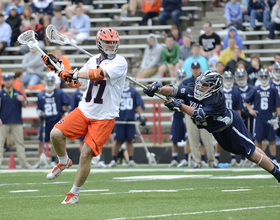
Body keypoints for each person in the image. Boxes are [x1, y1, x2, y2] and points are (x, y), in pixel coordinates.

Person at [143, 70, 280, 184]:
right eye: (200, 82)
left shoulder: (217, 100)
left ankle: (277, 173)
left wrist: (180, 106)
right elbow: (175, 91)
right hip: (217, 131)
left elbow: (199, 114)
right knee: (251, 149)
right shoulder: (192, 87)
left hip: (231, 126)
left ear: (213, 87)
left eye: (205, 84)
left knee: (251, 154)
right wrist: (159, 89)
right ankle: (274, 165)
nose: (200, 86)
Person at [41, 27, 127, 204]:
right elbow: (75, 82)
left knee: (85, 154)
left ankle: (74, 192)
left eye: (113, 43)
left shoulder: (120, 62)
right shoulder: (92, 60)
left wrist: (72, 72)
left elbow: (98, 74)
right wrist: (59, 70)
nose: (111, 46)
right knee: (55, 134)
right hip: (85, 110)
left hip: (104, 116)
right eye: (107, 42)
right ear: (99, 43)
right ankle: (63, 161)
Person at [179, 62, 216, 168]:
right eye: (193, 68)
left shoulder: (206, 81)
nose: (195, 70)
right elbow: (181, 95)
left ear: (200, 69)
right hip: (190, 112)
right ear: (191, 70)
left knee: (207, 137)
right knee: (193, 138)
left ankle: (212, 161)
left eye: (197, 68)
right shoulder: (186, 82)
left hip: (203, 112)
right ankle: (197, 162)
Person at [34, 73, 71, 168]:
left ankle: (53, 161)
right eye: (48, 82)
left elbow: (69, 102)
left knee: (54, 142)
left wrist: (64, 110)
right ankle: (41, 160)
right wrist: (40, 113)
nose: (50, 84)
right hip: (45, 121)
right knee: (40, 141)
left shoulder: (59, 93)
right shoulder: (41, 95)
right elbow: (38, 108)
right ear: (45, 82)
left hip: (56, 121)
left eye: (51, 81)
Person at [244, 69, 280, 165]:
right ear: (259, 77)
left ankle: (274, 159)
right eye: (262, 76)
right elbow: (246, 101)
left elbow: (277, 105)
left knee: (272, 139)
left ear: (268, 77)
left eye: (265, 76)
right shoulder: (255, 89)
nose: (264, 78)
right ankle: (259, 159)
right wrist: (251, 110)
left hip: (270, 118)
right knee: (258, 139)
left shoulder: (273, 89)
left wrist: (278, 115)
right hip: (259, 118)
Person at [108, 79, 146, 167]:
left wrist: (141, 116)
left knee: (130, 140)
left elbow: (138, 105)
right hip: (119, 118)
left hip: (130, 119)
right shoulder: (117, 89)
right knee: (117, 140)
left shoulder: (133, 91)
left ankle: (131, 160)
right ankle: (113, 160)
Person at [0, 74, 31, 169]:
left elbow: (25, 105)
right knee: (0, 143)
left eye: (9, 80)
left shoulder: (18, 93)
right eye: (6, 80)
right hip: (3, 122)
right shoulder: (1, 94)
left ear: (12, 81)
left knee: (20, 143)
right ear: (3, 82)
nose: (8, 82)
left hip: (16, 121)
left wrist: (23, 101)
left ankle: (24, 163)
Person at [168, 69, 188, 167]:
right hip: (177, 115)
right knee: (174, 139)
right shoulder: (174, 88)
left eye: (182, 77)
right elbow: (168, 103)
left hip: (186, 115)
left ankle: (186, 158)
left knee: (188, 138)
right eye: (179, 77)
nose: (181, 79)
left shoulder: (188, 88)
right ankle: (175, 159)